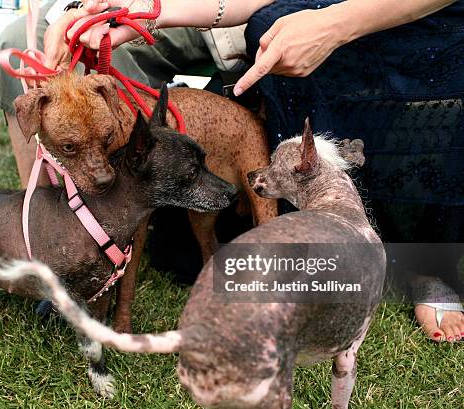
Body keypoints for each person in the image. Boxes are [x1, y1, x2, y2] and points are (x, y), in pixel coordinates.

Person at [65, 0, 464, 342]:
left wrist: (336, 25)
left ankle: (428, 262)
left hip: (427, 24)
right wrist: (151, 11)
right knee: (182, 257)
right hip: (311, 17)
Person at [0, 0, 218, 186]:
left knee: (103, 46)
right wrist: (75, 11)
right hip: (109, 4)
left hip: (191, 10)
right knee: (13, 38)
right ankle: (38, 200)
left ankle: (122, 196)